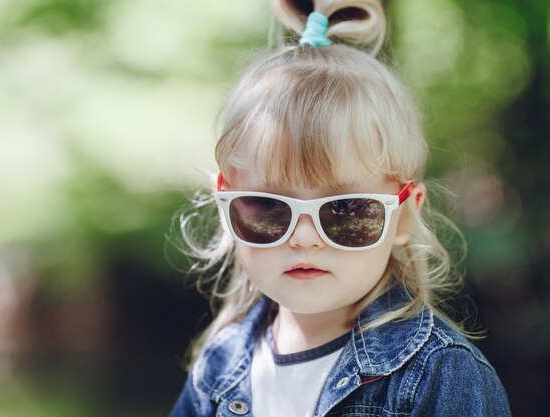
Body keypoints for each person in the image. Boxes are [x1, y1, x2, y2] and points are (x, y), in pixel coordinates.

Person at [170, 0, 511, 416]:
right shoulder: (219, 367)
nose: (305, 238)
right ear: (225, 202)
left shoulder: (440, 376)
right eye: (269, 208)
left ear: (404, 214)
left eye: (347, 211)